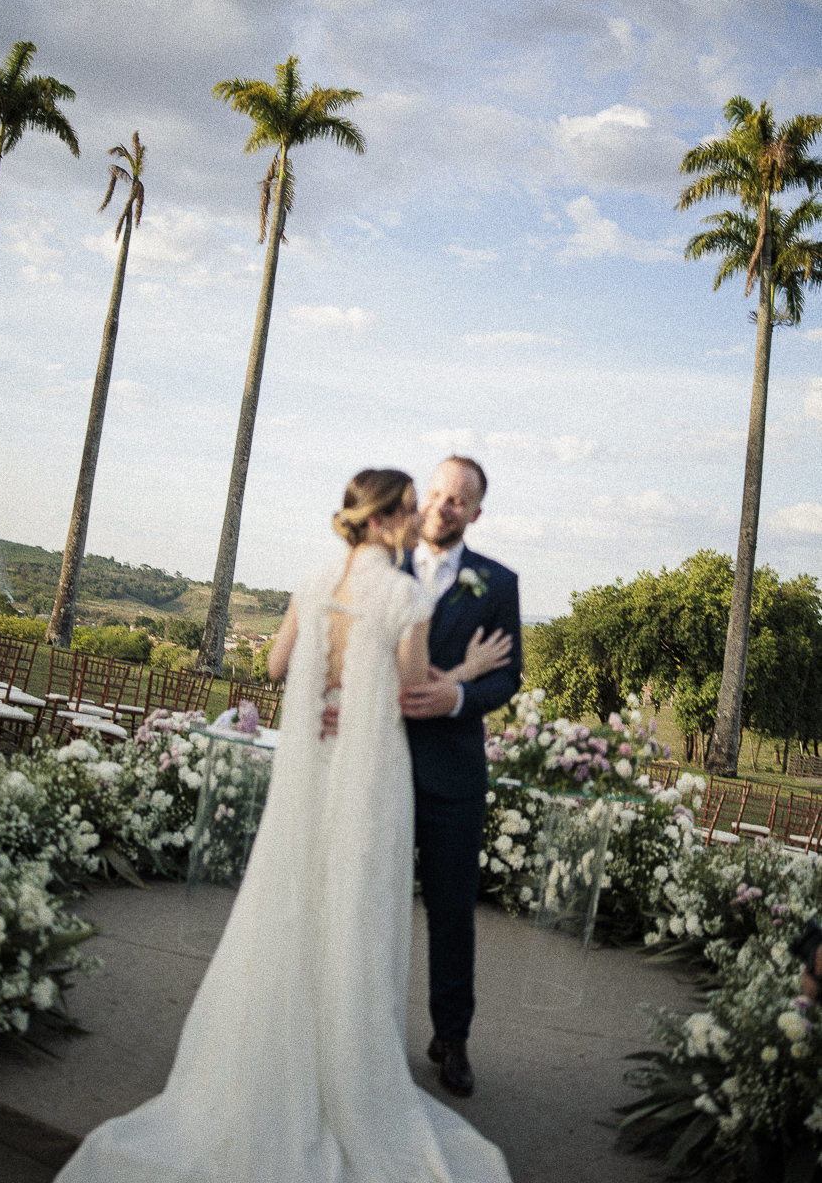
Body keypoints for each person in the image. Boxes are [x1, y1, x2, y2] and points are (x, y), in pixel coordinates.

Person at [55, 468, 514, 1183]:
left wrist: (329, 688)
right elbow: (408, 689)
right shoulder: (405, 594)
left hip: (312, 773)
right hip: (369, 774)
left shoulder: (311, 579)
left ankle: (276, 1055)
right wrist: (469, 667)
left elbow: (274, 665)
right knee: (359, 912)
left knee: (295, 902)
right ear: (394, 517)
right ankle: (347, 1068)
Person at [400, 456, 522, 1098]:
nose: (444, 507)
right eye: (438, 493)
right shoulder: (383, 565)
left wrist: (457, 698)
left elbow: (508, 676)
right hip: (381, 761)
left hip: (453, 772)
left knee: (451, 910)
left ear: (476, 512)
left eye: (460, 500)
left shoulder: (497, 582)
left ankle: (453, 1038)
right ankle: (361, 1023)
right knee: (373, 900)